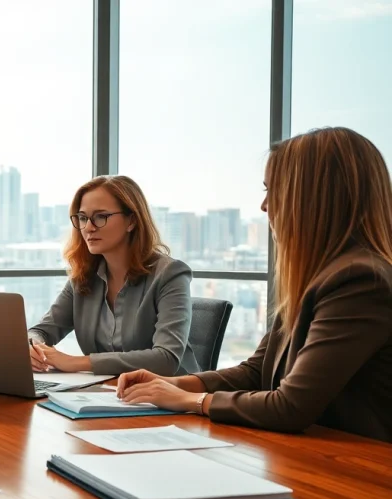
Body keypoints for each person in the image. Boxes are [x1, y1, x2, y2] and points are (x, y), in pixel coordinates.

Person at [117, 127, 392, 443]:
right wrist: (176, 384)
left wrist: (191, 402)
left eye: (273, 190)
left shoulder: (360, 281)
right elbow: (256, 372)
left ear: (316, 198)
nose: (264, 206)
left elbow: (291, 406)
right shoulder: (320, 276)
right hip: (308, 456)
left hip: (357, 472)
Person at [27, 175, 199, 376]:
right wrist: (33, 347)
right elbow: (42, 331)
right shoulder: (83, 276)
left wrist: (77, 362)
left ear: (131, 221)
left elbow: (166, 359)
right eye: (82, 218)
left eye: (101, 217)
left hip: (170, 397)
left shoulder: (170, 274)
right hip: (107, 393)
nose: (88, 227)